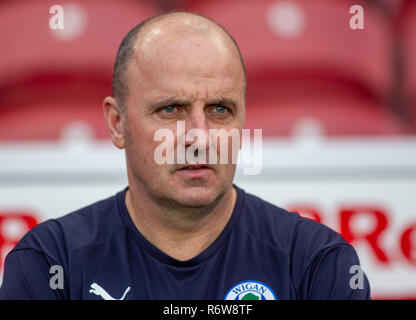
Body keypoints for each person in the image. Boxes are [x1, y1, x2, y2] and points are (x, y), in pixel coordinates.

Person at [0, 11, 370, 300]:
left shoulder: (317, 263)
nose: (199, 136)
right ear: (117, 124)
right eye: (171, 110)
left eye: (220, 110)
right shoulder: (49, 262)